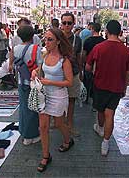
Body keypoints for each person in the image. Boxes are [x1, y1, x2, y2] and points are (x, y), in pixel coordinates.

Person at [85, 20, 129, 156]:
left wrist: (94, 71)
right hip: (117, 87)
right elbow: (128, 72)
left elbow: (88, 67)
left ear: (106, 31)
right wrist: (124, 86)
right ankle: (105, 143)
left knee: (101, 111)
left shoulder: (99, 48)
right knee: (110, 114)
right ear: (119, 32)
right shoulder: (125, 50)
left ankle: (100, 128)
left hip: (100, 85)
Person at [32, 28, 74, 172]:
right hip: (44, 95)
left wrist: (50, 82)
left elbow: (69, 82)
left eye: (50, 39)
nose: (46, 42)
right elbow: (40, 70)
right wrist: (34, 72)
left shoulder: (64, 60)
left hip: (58, 95)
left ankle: (68, 140)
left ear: (58, 42)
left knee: (59, 123)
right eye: (45, 38)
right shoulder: (45, 55)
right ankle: (45, 156)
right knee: (43, 127)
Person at [14, 26, 43, 146]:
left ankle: (24, 132)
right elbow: (40, 67)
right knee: (33, 108)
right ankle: (31, 135)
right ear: (33, 36)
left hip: (21, 82)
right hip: (33, 83)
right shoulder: (36, 49)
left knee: (24, 108)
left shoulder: (15, 48)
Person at [61, 12, 82, 137]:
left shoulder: (77, 39)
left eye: (69, 23)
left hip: (73, 74)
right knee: (58, 100)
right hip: (58, 75)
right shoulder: (56, 37)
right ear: (61, 24)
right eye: (64, 23)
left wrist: (81, 72)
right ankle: (59, 122)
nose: (67, 25)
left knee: (71, 100)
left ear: (73, 24)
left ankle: (69, 125)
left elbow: (79, 57)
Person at [82, 23, 105, 103]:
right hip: (100, 65)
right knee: (97, 83)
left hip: (88, 64)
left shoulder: (87, 41)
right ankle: (95, 100)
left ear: (92, 29)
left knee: (87, 82)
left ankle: (86, 98)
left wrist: (84, 62)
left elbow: (84, 54)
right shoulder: (103, 41)